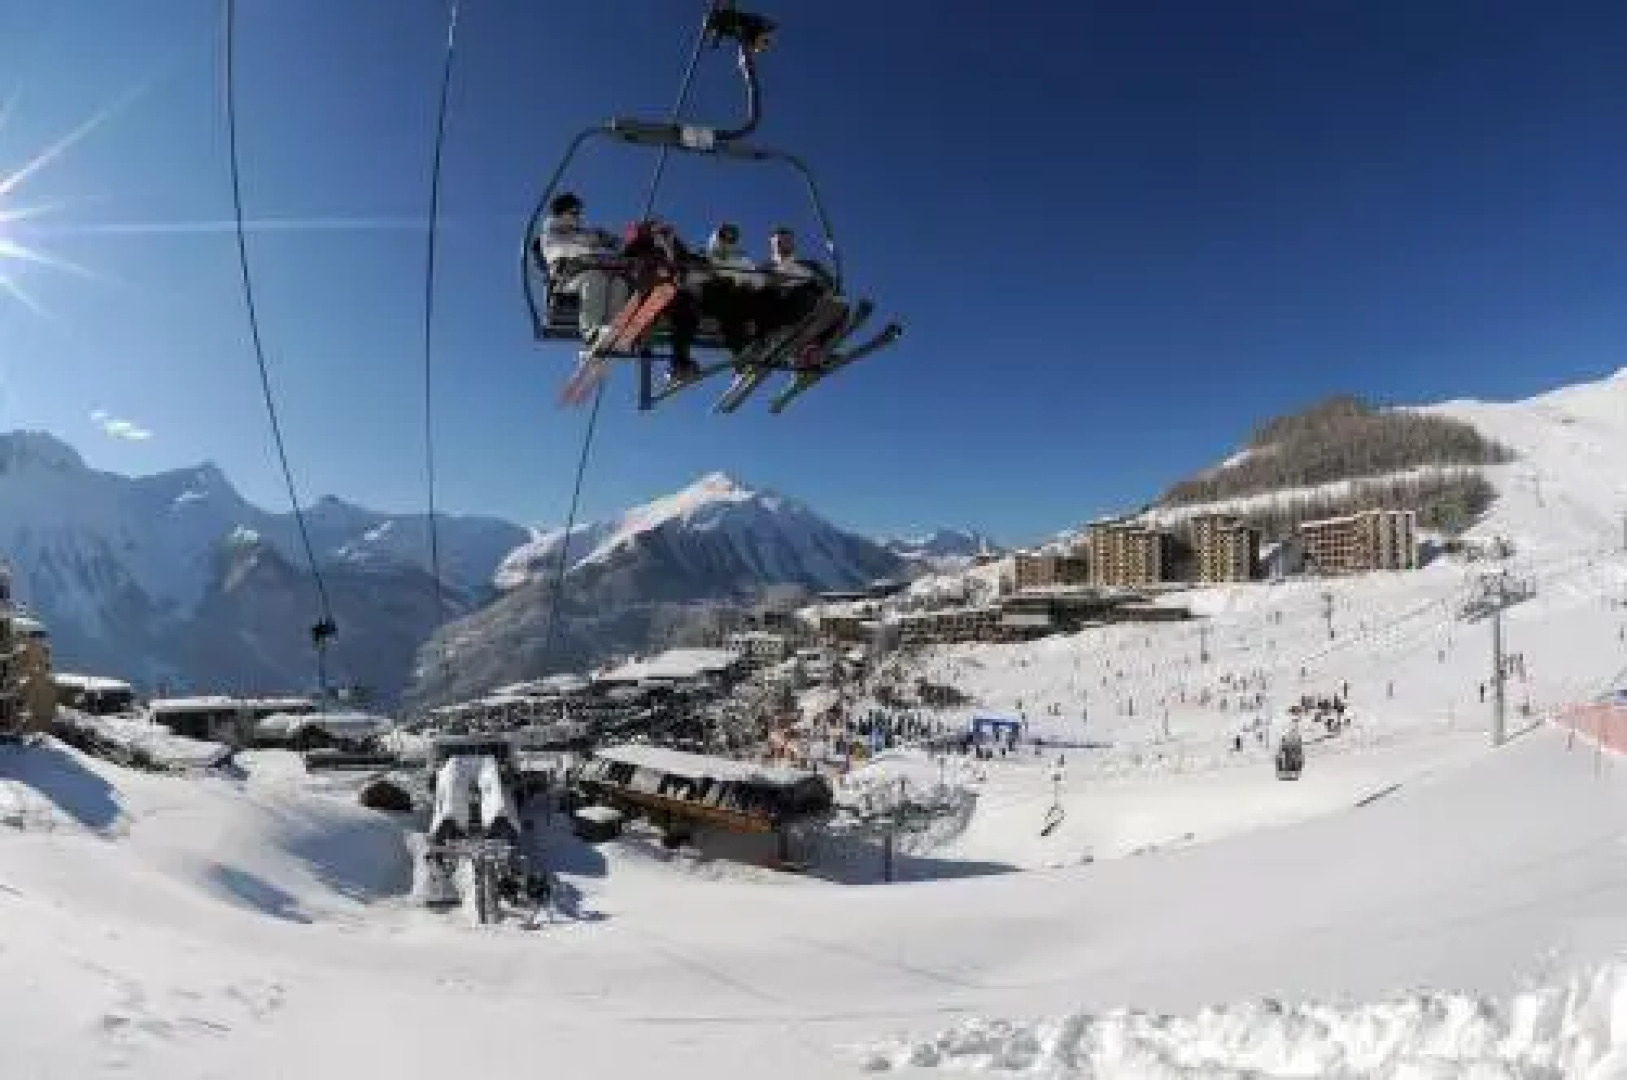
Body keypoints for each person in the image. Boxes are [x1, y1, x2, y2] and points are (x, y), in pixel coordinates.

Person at [536, 192, 629, 353]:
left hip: (590, 271)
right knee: (595, 279)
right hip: (566, 279)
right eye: (573, 213)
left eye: (578, 213)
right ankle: (591, 332)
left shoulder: (584, 233)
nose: (578, 216)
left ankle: (613, 330)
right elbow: (564, 251)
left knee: (619, 283)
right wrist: (592, 252)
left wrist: (619, 244)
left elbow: (616, 245)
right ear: (561, 213)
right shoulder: (550, 233)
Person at [620, 218, 701, 382]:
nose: (660, 229)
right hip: (647, 284)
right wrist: (644, 234)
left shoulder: (674, 243)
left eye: (662, 226)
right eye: (655, 226)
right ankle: (639, 338)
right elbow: (628, 250)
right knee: (651, 303)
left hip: (669, 288)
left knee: (686, 309)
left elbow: (685, 259)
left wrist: (674, 245)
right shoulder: (642, 241)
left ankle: (680, 361)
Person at [754, 226, 844, 366]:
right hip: (782, 307)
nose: (781, 245)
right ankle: (793, 348)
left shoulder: (808, 265)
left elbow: (830, 283)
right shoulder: (765, 267)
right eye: (777, 242)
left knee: (839, 308)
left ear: (792, 243)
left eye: (786, 241)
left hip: (809, 308)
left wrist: (829, 284)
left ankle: (814, 352)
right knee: (803, 297)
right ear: (772, 245)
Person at [694, 221, 762, 356]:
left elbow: (757, 280)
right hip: (711, 300)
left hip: (737, 300)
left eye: (731, 239)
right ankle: (741, 352)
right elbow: (694, 279)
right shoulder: (705, 257)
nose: (726, 243)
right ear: (717, 239)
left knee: (741, 300)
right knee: (727, 298)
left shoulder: (741, 261)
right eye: (724, 238)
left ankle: (748, 351)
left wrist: (747, 284)